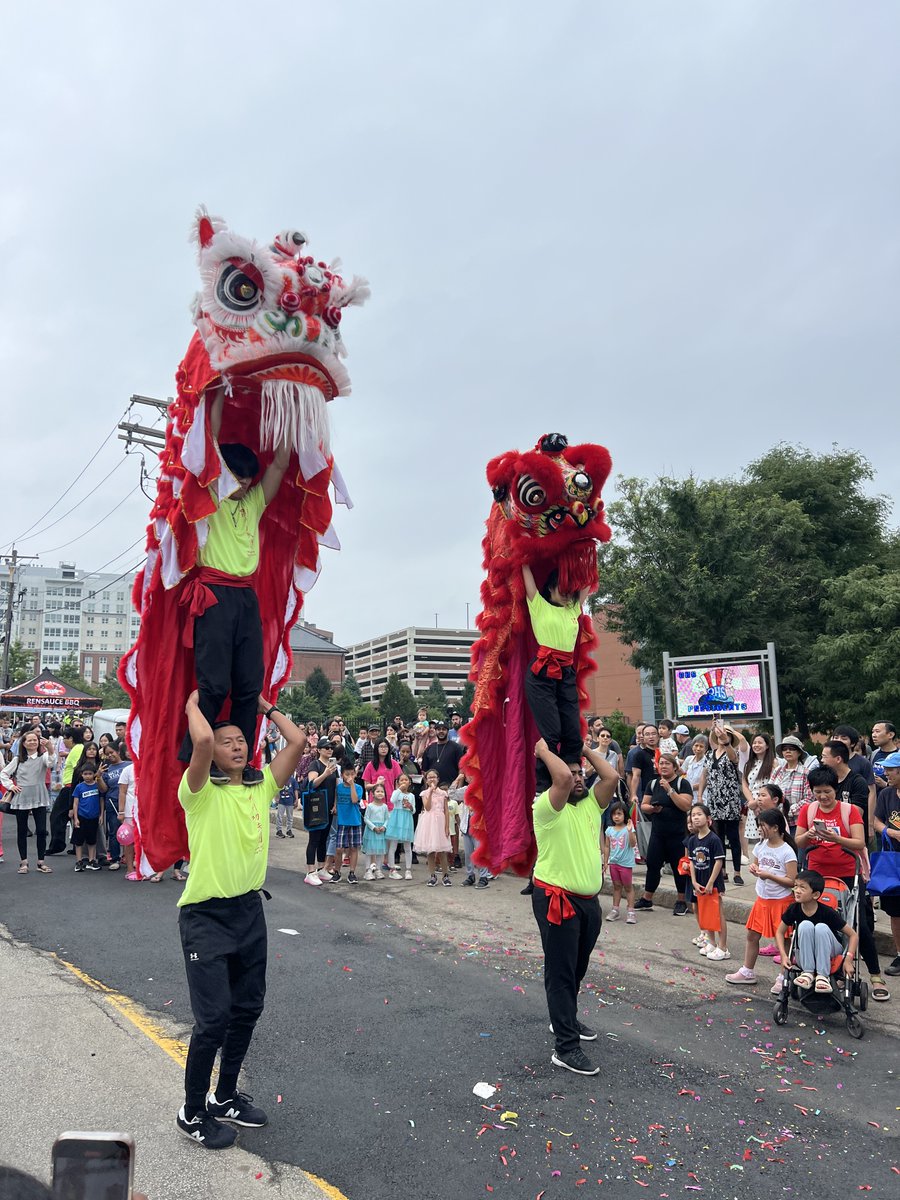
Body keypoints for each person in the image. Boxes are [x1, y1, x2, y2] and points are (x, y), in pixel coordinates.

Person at [176, 689, 306, 1149]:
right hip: (206, 918)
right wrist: (194, 707)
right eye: (228, 740)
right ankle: (192, 1112)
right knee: (212, 1021)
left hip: (249, 911)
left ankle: (224, 1097)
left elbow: (297, 741)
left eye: (241, 740)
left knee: (247, 1009)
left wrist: (265, 707)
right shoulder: (197, 793)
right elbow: (203, 745)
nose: (236, 746)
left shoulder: (260, 786)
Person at [177, 428, 291, 784]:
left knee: (248, 687)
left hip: (245, 597)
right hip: (213, 592)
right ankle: (200, 754)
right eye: (237, 476)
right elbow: (208, 445)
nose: (242, 484)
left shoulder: (252, 502)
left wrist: (294, 413)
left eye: (247, 478)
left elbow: (279, 466)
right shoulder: (211, 497)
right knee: (214, 685)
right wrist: (214, 398)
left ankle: (242, 762)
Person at [531, 736, 619, 1076]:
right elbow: (563, 781)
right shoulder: (546, 807)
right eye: (570, 774)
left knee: (576, 968)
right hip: (557, 899)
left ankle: (564, 1020)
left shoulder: (589, 805)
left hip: (587, 902)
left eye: (580, 772)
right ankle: (565, 1048)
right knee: (561, 973)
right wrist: (542, 750)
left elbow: (611, 777)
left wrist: (580, 748)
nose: (577, 777)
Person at [796, 765, 889, 1002]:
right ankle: (817, 970)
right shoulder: (808, 810)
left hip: (848, 875)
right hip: (816, 876)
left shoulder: (849, 811)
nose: (823, 797)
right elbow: (799, 841)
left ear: (835, 789)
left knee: (859, 925)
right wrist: (809, 835)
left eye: (827, 791)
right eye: (818, 792)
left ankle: (876, 975)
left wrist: (834, 837)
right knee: (813, 923)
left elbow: (859, 842)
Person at [521, 563, 591, 791]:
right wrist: (522, 556)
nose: (567, 592)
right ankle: (543, 789)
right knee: (551, 735)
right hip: (542, 673)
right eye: (562, 588)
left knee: (573, 734)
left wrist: (585, 544)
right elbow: (526, 573)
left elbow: (588, 577)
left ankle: (574, 784)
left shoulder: (573, 609)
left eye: (569, 589)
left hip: (566, 673)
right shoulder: (539, 605)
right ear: (550, 588)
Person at [726, 807, 798, 989]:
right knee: (752, 935)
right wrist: (754, 870)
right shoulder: (760, 846)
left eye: (763, 826)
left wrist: (769, 875)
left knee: (784, 940)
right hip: (763, 899)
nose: (759, 829)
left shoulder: (787, 851)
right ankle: (747, 971)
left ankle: (784, 976)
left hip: (781, 901)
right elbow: (757, 867)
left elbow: (792, 881)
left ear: (775, 828)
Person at [774, 870, 859, 994]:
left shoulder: (827, 912)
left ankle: (822, 976)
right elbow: (779, 932)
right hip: (805, 949)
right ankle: (808, 973)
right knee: (805, 925)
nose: (797, 890)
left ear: (815, 895)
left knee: (821, 927)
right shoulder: (794, 909)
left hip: (830, 948)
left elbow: (853, 935)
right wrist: (783, 955)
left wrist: (848, 959)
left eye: (802, 888)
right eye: (796, 886)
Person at [635, 753, 693, 914]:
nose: (664, 766)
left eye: (668, 763)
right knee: (653, 865)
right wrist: (653, 809)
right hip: (658, 833)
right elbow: (644, 805)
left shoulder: (683, 783)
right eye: (661, 763)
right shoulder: (653, 784)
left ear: (675, 766)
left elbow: (686, 805)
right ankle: (647, 899)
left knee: (679, 868)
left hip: (678, 834)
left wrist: (670, 790)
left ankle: (682, 901)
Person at [0, 730, 56, 875]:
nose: (32, 742)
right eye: (29, 740)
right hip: (22, 796)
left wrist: (50, 748)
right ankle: (23, 861)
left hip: (39, 794)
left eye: (35, 740)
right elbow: (4, 773)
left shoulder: (43, 756)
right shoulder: (18, 759)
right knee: (22, 830)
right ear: (23, 744)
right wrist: (11, 786)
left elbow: (51, 763)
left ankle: (41, 861)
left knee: (42, 830)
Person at [699, 720, 748, 885]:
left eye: (726, 734)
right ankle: (722, 870)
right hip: (713, 799)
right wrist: (700, 795)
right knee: (717, 836)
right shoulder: (709, 754)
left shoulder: (733, 752)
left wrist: (726, 739)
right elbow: (704, 775)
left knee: (733, 836)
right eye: (720, 734)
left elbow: (734, 759)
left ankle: (737, 872)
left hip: (730, 799)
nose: (721, 736)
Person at [685, 803, 727, 958]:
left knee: (718, 912)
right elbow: (691, 862)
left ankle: (723, 947)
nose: (695, 817)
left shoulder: (714, 839)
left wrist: (710, 883)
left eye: (699, 814)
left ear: (709, 819)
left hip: (713, 881)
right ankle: (712, 942)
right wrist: (694, 882)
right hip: (700, 882)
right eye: (693, 815)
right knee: (705, 912)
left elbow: (718, 862)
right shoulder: (692, 840)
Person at [873, 751, 900, 976]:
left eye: (891, 769)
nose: (886, 773)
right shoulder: (886, 794)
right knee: (895, 912)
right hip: (892, 861)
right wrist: (889, 831)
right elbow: (876, 821)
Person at [304, 741, 339, 885]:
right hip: (317, 807)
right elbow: (312, 784)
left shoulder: (333, 766)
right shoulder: (315, 765)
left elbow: (337, 786)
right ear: (319, 750)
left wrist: (336, 804)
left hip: (329, 806)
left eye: (332, 748)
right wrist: (325, 774)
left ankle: (321, 868)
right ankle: (310, 871)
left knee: (324, 838)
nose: (330, 750)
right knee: (314, 839)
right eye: (327, 747)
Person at [46, 727, 83, 855]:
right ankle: (75, 846)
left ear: (71, 738)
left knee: (57, 816)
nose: (64, 743)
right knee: (73, 817)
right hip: (70, 786)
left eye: (65, 739)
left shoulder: (76, 749)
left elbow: (77, 770)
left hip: (70, 787)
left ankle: (57, 844)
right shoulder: (77, 749)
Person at [772, 735, 816, 839]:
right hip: (777, 821)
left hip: (798, 823)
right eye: (785, 749)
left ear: (799, 752)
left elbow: (810, 799)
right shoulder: (777, 771)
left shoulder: (806, 773)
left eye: (792, 749)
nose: (788, 751)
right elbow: (770, 791)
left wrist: (789, 810)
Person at [414, 769, 452, 887]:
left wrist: (446, 827)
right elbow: (428, 807)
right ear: (426, 780)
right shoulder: (424, 793)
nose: (432, 779)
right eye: (429, 777)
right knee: (430, 850)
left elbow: (446, 811)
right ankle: (432, 875)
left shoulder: (443, 793)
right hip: (429, 823)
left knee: (442, 851)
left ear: (438, 779)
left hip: (440, 821)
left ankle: (445, 875)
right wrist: (430, 792)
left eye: (434, 777)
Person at [603, 800, 637, 923]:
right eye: (614, 814)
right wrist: (606, 861)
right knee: (616, 886)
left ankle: (631, 911)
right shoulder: (609, 830)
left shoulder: (628, 828)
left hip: (626, 864)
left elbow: (633, 844)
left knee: (628, 887)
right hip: (614, 863)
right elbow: (607, 846)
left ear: (625, 815)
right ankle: (615, 910)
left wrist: (629, 831)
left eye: (619, 814)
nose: (616, 817)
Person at [332, 763, 364, 884]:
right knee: (339, 848)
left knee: (353, 848)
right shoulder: (339, 787)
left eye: (352, 774)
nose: (350, 776)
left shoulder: (358, 787)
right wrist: (335, 806)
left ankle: (352, 872)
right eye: (347, 774)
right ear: (342, 775)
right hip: (342, 821)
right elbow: (336, 798)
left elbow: (355, 800)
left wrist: (352, 786)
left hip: (354, 821)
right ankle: (337, 872)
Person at [98, 743, 128, 870]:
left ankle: (129, 857)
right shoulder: (107, 769)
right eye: (107, 754)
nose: (110, 755)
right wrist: (98, 776)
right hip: (112, 803)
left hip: (129, 802)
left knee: (130, 831)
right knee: (114, 832)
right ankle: (115, 858)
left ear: (118, 751)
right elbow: (104, 789)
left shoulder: (129, 765)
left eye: (112, 752)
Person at [457, 777, 489, 888]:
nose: (470, 777)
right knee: (468, 854)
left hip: (479, 827)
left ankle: (484, 877)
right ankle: (470, 875)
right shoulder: (466, 789)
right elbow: (451, 794)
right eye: (467, 776)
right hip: (467, 826)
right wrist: (457, 779)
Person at [72, 764, 102, 872]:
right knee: (79, 841)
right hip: (81, 816)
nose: (88, 776)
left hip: (93, 817)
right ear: (81, 775)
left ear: (94, 774)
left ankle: (91, 860)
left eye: (90, 774)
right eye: (85, 774)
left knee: (92, 840)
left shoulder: (97, 786)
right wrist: (76, 818)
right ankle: (79, 861)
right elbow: (75, 803)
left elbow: (101, 801)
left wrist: (101, 815)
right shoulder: (79, 787)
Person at [385, 773, 416, 880]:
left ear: (409, 782)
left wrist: (410, 807)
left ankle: (408, 869)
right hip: (396, 819)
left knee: (408, 847)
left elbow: (414, 810)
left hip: (406, 820)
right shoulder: (396, 792)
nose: (403, 782)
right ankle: (392, 869)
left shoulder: (411, 796)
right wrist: (399, 790)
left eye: (406, 780)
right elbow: (392, 800)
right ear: (398, 783)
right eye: (401, 780)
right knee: (393, 846)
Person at [420, 720, 465, 788]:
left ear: (447, 731)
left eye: (443, 729)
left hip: (451, 788)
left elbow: (461, 769)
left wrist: (459, 788)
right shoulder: (429, 749)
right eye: (438, 729)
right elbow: (425, 771)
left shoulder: (456, 747)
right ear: (435, 731)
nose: (441, 731)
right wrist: (427, 788)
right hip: (433, 789)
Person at [362, 783, 390, 880]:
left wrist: (384, 826)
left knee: (380, 852)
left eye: (382, 791)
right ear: (372, 794)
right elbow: (366, 818)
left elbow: (387, 819)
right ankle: (368, 871)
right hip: (371, 831)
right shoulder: (370, 806)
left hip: (381, 831)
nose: (380, 793)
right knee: (369, 851)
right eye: (377, 791)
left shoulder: (385, 807)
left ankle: (378, 869)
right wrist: (373, 827)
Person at [274, 771, 300, 840]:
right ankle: (279, 830)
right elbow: (277, 789)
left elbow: (295, 790)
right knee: (279, 816)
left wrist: (296, 799)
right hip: (281, 801)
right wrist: (276, 797)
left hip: (290, 801)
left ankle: (289, 830)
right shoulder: (281, 779)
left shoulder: (293, 780)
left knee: (290, 816)